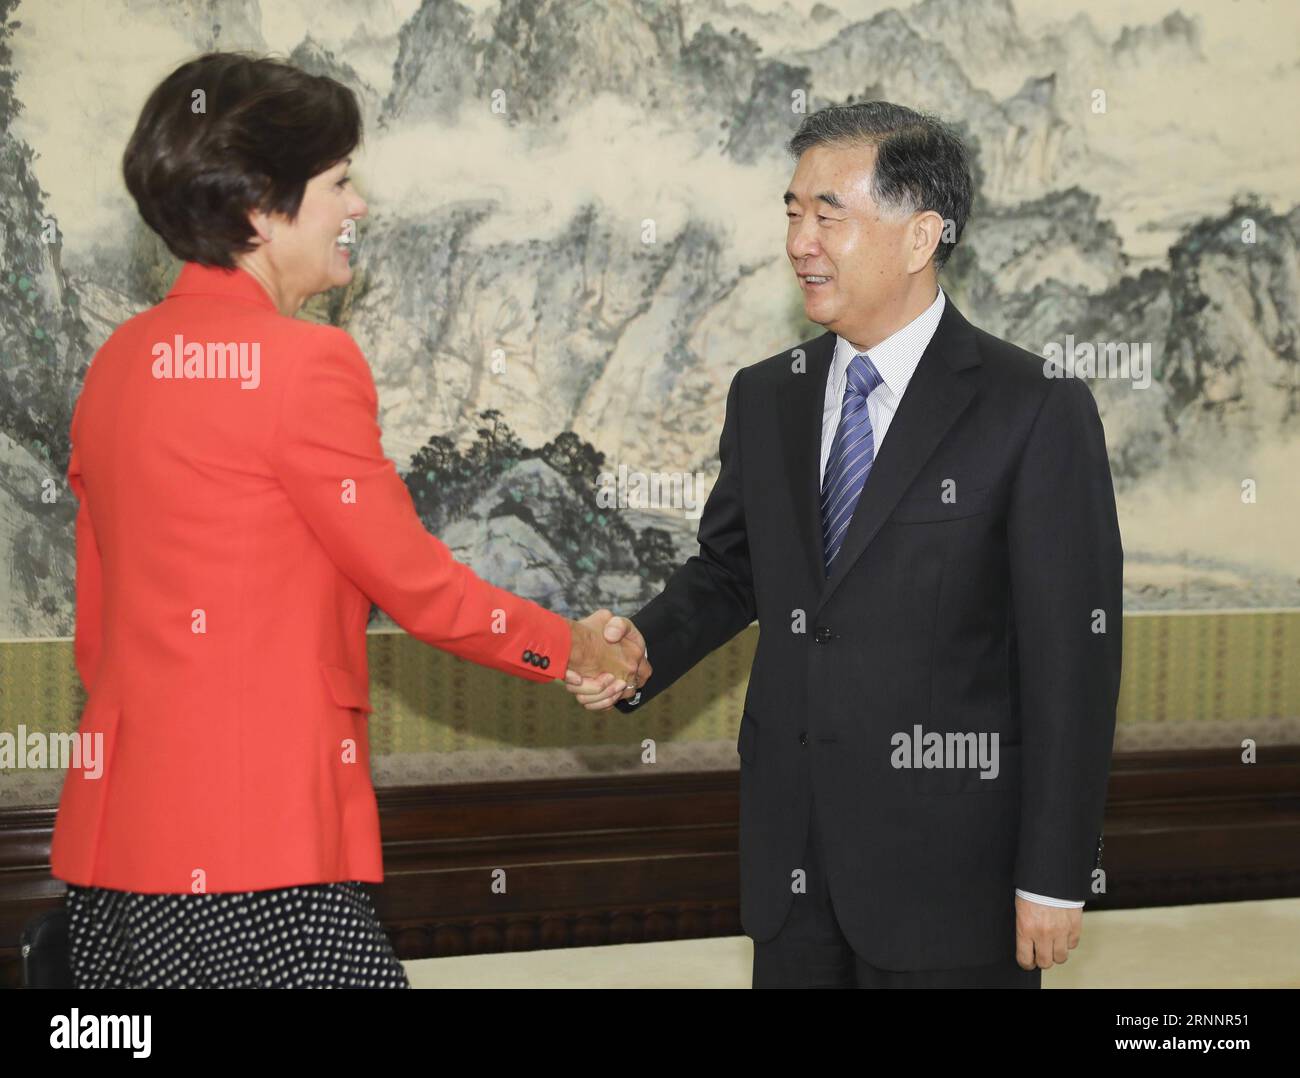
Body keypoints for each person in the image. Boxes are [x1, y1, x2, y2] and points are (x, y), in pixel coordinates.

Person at [50, 50, 645, 989]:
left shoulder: (119, 362)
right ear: (260, 208)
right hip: (262, 854)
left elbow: (98, 628)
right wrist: (572, 647)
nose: (356, 206)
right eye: (337, 181)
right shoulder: (303, 365)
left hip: (118, 859)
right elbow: (417, 586)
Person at [566, 101, 1123, 989]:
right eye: (792, 212)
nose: (800, 242)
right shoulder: (768, 396)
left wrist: (1055, 871)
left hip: (953, 880)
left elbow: (1073, 657)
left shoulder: (1033, 406)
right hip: (791, 867)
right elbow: (731, 569)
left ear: (920, 236)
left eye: (830, 215)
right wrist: (644, 648)